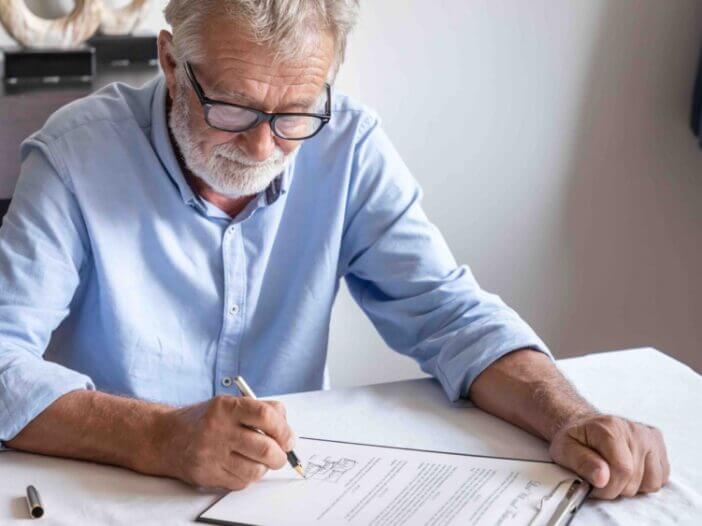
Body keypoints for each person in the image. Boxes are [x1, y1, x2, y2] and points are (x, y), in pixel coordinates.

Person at [0, 0, 668, 499]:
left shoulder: (347, 144)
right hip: (104, 493)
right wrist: (156, 437)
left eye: (294, 113)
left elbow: (453, 316)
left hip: (277, 497)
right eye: (231, 107)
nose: (263, 148)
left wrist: (571, 417)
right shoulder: (75, 157)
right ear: (171, 63)